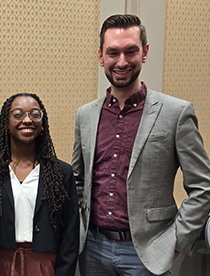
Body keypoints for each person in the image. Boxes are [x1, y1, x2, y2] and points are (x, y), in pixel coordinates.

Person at [72, 14, 210, 276]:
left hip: (148, 253)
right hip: (93, 249)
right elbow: (79, 180)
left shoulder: (176, 113)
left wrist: (176, 241)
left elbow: (203, 186)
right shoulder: (85, 115)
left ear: (144, 52)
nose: (121, 61)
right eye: (113, 52)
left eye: (130, 51)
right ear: (101, 57)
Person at [0, 93, 79, 276]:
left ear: (42, 122)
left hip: (45, 266)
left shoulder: (61, 173)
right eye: (17, 114)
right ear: (5, 122)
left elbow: (70, 234)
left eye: (35, 114)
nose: (27, 120)